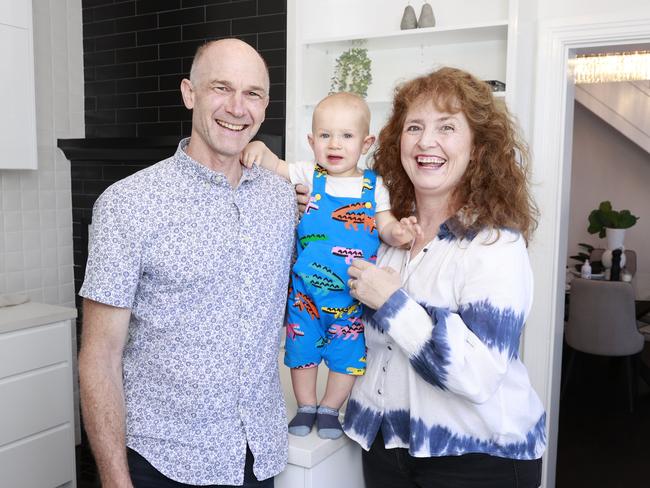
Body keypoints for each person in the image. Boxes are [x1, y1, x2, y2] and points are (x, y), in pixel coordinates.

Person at [78, 39, 297, 488]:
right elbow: (99, 358)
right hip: (163, 462)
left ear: (266, 106)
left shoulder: (282, 200)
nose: (237, 108)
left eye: (253, 94)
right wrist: (116, 482)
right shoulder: (127, 204)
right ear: (189, 93)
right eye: (221, 87)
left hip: (259, 455)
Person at [343, 67, 546, 487]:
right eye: (413, 127)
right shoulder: (390, 238)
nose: (426, 141)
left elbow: (475, 373)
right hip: (387, 446)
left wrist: (393, 303)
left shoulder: (494, 245)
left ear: (477, 149)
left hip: (477, 460)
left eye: (447, 127)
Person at [242, 92, 420, 440]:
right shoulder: (310, 175)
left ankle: (329, 408)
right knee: (300, 353)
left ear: (366, 142)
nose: (334, 144)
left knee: (347, 357)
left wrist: (398, 232)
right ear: (311, 141)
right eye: (325, 135)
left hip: (353, 298)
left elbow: (383, 225)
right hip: (305, 294)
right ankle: (307, 404)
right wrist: (260, 150)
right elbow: (275, 166)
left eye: (346, 136)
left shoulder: (375, 186)